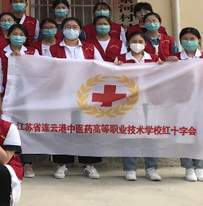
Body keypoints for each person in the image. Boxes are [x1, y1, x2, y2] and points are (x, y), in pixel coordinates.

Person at [49, 17, 102, 180]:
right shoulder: (53, 49)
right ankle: (62, 164)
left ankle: (89, 164)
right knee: (63, 128)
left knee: (87, 128)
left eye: (75, 27)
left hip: (85, 95)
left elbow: (101, 67)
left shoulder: (90, 48)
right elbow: (46, 68)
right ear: (62, 30)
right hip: (62, 94)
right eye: (67, 26)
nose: (71, 29)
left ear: (80, 30)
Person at [173, 27, 203, 183]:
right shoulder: (175, 58)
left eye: (192, 39)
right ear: (180, 41)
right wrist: (167, 64)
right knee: (185, 134)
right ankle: (188, 167)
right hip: (183, 103)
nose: (189, 42)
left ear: (198, 40)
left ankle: (199, 167)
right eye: (185, 39)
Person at [115, 30, 164, 181]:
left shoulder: (154, 59)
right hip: (130, 102)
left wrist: (162, 67)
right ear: (128, 43)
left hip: (150, 101)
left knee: (151, 135)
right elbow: (114, 79)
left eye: (140, 42)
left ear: (145, 43)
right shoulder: (121, 59)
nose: (137, 44)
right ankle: (130, 169)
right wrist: (116, 68)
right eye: (134, 41)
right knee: (130, 135)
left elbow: (163, 77)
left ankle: (151, 168)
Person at [0, 24, 31, 98]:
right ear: (8, 36)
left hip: (28, 93)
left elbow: (36, 72)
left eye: (21, 35)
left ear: (25, 38)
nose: (18, 37)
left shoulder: (33, 52)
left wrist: (23, 58)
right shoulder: (0, 54)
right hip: (7, 93)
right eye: (15, 34)